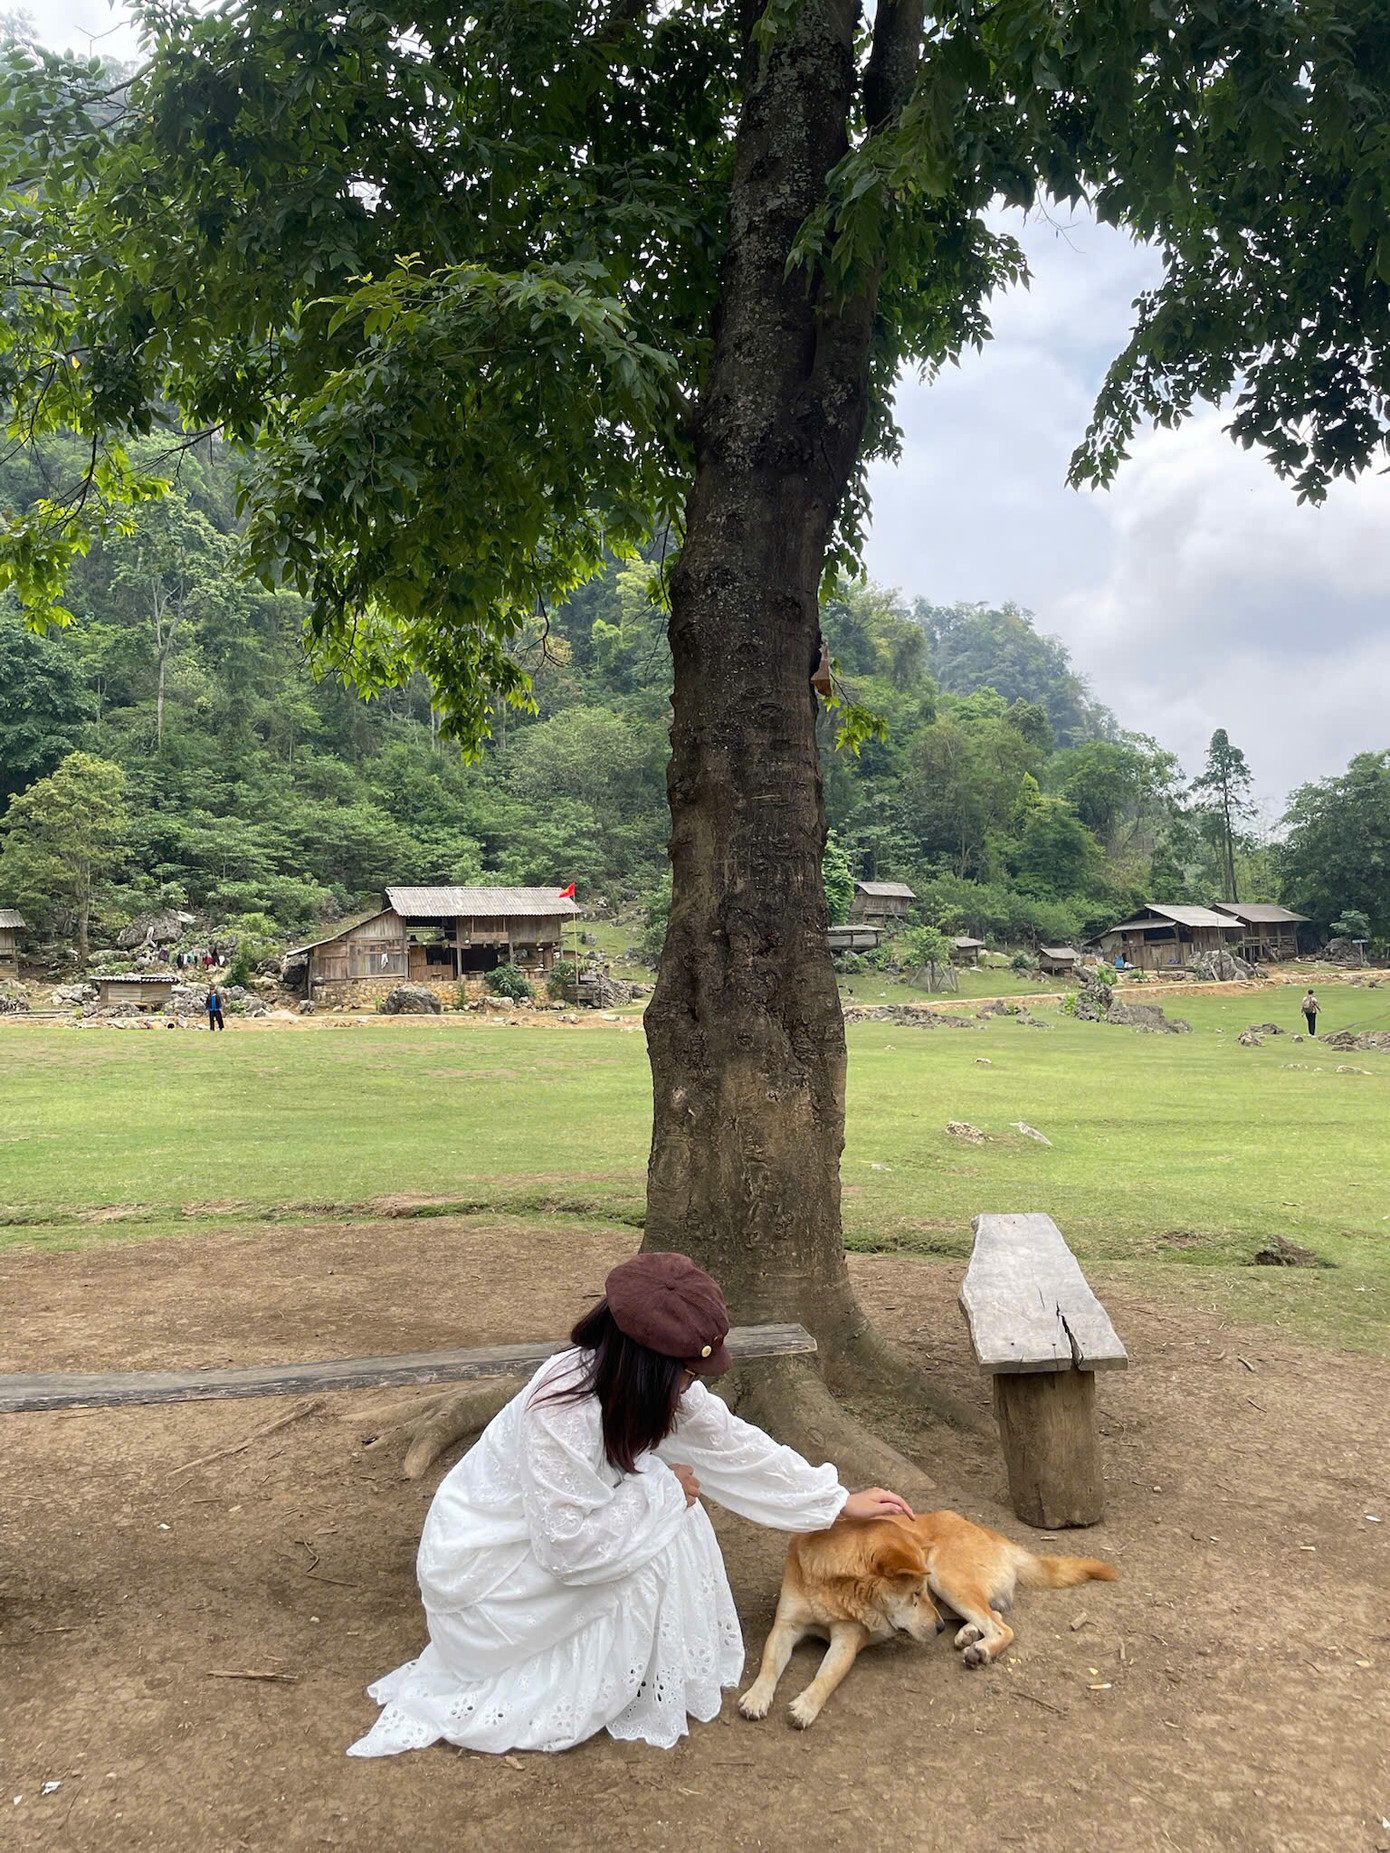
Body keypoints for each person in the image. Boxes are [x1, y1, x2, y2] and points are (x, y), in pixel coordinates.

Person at [348, 1252, 914, 1758]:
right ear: (653, 1368)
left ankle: (644, 1663)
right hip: (490, 1568)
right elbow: (563, 1547)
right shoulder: (562, 1408)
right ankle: (599, 1680)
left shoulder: (644, 1387)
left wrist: (835, 1501)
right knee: (669, 1514)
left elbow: (730, 1442)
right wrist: (664, 1489)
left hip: (556, 1541)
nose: (695, 1386)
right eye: (689, 1374)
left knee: (673, 1509)